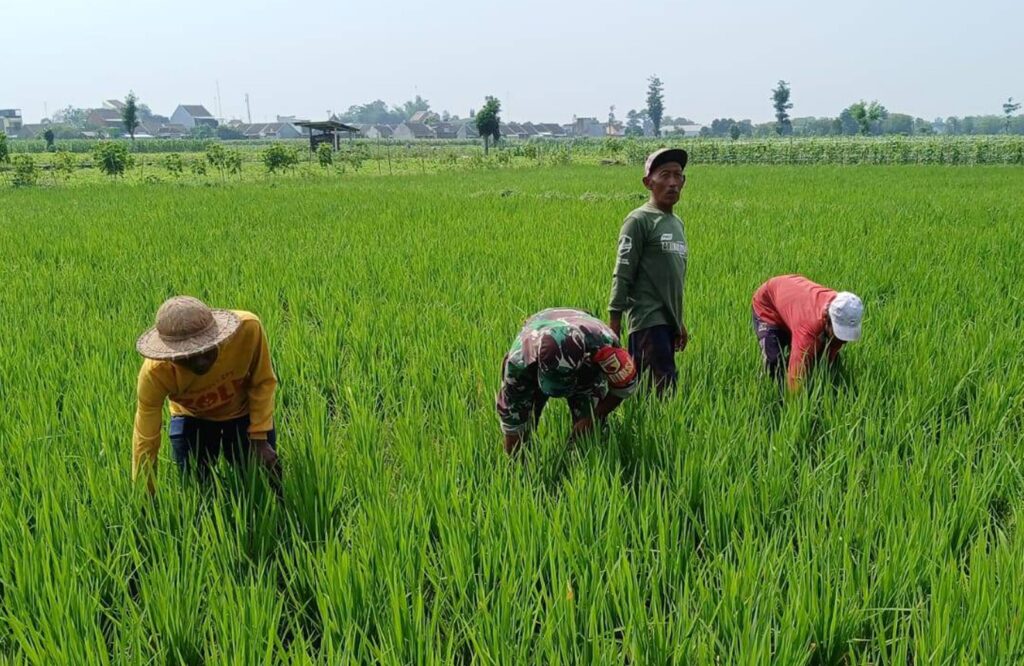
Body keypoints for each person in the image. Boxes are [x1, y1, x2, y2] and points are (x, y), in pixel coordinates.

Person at [132, 296, 280, 495]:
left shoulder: (247, 330)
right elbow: (146, 439)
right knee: (196, 489)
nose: (200, 362)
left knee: (256, 483)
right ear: (169, 355)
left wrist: (260, 438)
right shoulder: (156, 373)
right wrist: (145, 494)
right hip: (193, 417)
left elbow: (262, 382)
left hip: (242, 412)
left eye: (207, 350)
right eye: (187, 357)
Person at [496, 307, 639, 455]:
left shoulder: (604, 346)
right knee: (526, 418)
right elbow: (512, 419)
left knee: (589, 429)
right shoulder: (520, 361)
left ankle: (583, 461)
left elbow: (625, 386)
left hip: (585, 356)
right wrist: (516, 463)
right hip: (540, 327)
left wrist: (594, 416)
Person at [608, 147, 689, 394]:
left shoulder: (676, 224)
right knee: (662, 390)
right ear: (648, 182)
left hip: (666, 322)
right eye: (665, 175)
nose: (673, 182)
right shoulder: (638, 220)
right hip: (646, 321)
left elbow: (671, 280)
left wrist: (678, 322)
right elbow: (622, 272)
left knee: (653, 391)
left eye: (678, 175)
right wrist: (614, 323)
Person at [751, 275, 864, 392]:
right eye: (838, 332)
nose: (844, 341)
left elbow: (832, 349)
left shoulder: (844, 307)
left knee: (821, 357)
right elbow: (795, 379)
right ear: (827, 320)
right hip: (768, 307)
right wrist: (795, 406)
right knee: (774, 363)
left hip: (793, 304)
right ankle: (766, 388)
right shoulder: (808, 330)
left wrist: (827, 363)